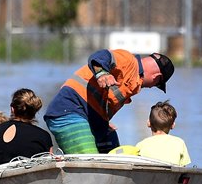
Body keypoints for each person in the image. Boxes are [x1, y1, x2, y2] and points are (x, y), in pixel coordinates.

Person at [43, 49, 175, 154]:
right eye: (157, 84)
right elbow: (99, 56)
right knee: (89, 163)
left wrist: (101, 121)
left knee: (112, 146)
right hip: (68, 111)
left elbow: (100, 99)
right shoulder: (128, 60)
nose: (152, 87)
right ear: (156, 77)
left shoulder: (134, 80)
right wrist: (102, 73)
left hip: (85, 116)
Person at [0, 88, 54, 169]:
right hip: (27, 180)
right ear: (35, 110)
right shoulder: (43, 136)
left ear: (12, 109)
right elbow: (49, 167)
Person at [135, 101, 191, 166]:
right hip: (173, 176)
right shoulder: (180, 143)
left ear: (148, 123)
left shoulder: (140, 145)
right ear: (173, 125)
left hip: (148, 175)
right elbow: (183, 169)